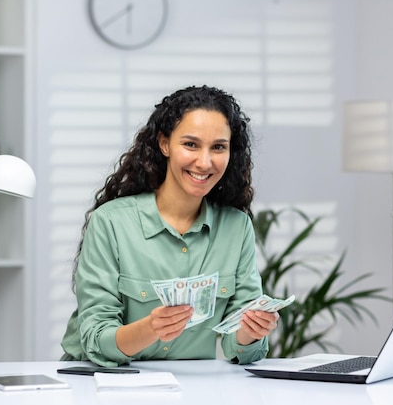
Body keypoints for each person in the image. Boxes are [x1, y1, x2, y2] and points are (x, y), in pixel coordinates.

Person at [60, 85, 278, 367]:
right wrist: (150, 329)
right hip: (100, 380)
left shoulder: (237, 227)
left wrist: (250, 331)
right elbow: (95, 338)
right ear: (164, 144)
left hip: (190, 386)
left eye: (218, 147)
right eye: (190, 144)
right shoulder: (110, 222)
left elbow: (240, 348)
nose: (204, 161)